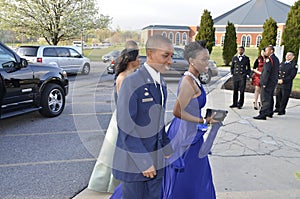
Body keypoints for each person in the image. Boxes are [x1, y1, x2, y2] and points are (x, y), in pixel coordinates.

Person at [112, 35, 174, 199]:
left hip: (157, 159)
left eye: (171, 56)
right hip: (135, 162)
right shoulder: (132, 81)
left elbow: (157, 122)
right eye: (165, 55)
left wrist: (168, 149)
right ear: (150, 54)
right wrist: (144, 161)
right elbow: (126, 125)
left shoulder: (161, 82)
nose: (170, 61)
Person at [162, 40, 220, 199]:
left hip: (192, 132)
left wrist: (205, 119)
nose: (207, 63)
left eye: (208, 58)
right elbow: (177, 111)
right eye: (203, 59)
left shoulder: (194, 78)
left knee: (198, 174)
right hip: (184, 135)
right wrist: (202, 121)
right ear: (191, 61)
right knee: (188, 176)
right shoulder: (188, 82)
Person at [87, 40, 140, 193]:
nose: (140, 60)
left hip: (130, 117)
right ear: (131, 61)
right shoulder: (123, 78)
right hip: (123, 118)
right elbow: (125, 103)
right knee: (117, 152)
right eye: (137, 58)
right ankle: (113, 184)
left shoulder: (134, 75)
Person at [254, 45, 279, 120]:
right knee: (270, 97)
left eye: (267, 51)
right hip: (272, 82)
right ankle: (269, 112)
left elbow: (266, 72)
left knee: (265, 98)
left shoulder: (269, 59)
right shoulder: (276, 59)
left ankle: (263, 114)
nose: (265, 52)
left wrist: (263, 83)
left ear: (271, 51)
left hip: (268, 82)